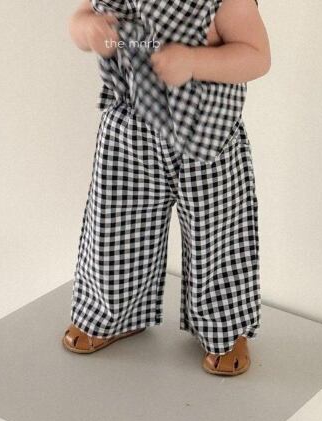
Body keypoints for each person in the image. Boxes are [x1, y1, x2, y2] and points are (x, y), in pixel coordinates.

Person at [62, 0, 271, 376]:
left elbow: (257, 57)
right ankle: (112, 310)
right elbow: (81, 20)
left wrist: (194, 61)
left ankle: (225, 327)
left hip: (208, 131)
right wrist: (88, 30)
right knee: (116, 227)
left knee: (218, 234)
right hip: (129, 127)